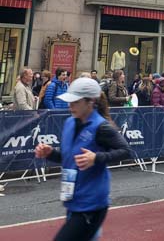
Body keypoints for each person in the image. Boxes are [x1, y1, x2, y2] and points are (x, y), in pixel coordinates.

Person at [34, 77, 132, 241]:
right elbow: (70, 158)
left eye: (75, 101)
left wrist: (97, 158)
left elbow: (126, 151)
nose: (70, 105)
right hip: (73, 199)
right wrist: (50, 153)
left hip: (92, 203)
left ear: (90, 102)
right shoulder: (69, 123)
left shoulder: (102, 127)